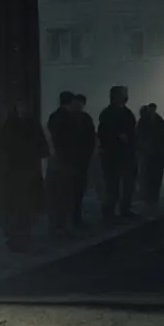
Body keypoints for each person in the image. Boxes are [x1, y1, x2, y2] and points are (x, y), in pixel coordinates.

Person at [0, 99, 48, 252]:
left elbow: (42, 148)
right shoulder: (11, 126)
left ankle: (21, 236)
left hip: (26, 172)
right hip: (16, 173)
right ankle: (16, 237)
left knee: (25, 207)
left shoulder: (28, 125)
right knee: (17, 207)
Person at [97, 85, 138, 221]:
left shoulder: (126, 113)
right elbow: (103, 134)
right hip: (112, 155)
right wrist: (117, 137)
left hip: (126, 154)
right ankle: (109, 213)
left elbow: (133, 132)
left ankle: (124, 209)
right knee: (112, 186)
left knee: (127, 185)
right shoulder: (108, 114)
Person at [45, 91, 79, 237]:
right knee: (64, 194)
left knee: (57, 195)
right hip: (64, 161)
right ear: (70, 102)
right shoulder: (67, 118)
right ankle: (60, 227)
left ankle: (57, 226)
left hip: (57, 160)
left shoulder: (55, 116)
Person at [70, 93, 97, 228]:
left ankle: (76, 217)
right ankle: (73, 218)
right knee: (72, 190)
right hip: (73, 160)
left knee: (79, 190)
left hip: (81, 159)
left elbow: (91, 137)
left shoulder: (84, 118)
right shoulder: (72, 118)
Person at [136, 104, 164, 208]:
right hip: (150, 153)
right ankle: (150, 197)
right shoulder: (146, 121)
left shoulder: (153, 120)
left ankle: (152, 197)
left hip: (154, 153)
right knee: (148, 176)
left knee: (152, 176)